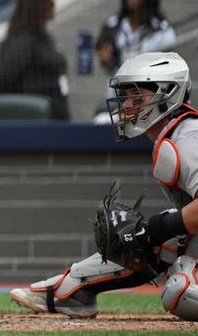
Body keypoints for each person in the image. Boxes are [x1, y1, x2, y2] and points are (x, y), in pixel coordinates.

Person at [10, 51, 198, 321]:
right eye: (126, 97)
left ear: (168, 94)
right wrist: (148, 234)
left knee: (180, 292)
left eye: (137, 97)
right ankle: (71, 290)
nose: (127, 105)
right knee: (140, 240)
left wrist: (154, 229)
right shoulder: (178, 134)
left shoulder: (187, 137)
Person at [0, 0, 70, 120]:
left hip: (56, 115)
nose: (53, 5)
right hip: (33, 121)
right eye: (49, 2)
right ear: (37, 6)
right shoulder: (21, 42)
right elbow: (4, 81)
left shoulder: (45, 38)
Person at [95, 0, 176, 77]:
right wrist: (106, 61)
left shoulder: (160, 29)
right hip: (118, 89)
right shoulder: (114, 25)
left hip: (150, 88)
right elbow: (108, 59)